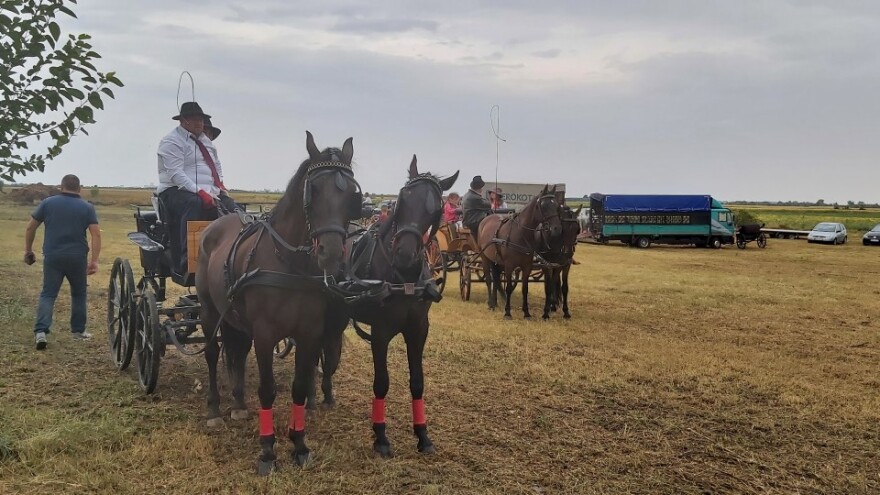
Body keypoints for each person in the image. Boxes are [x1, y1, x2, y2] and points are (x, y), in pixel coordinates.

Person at [157, 102, 237, 273]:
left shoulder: (205, 141)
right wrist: (200, 192)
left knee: (234, 209)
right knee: (194, 203)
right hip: (175, 191)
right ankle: (189, 257)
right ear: (184, 121)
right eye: (196, 120)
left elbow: (216, 165)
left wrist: (219, 185)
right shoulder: (172, 141)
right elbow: (176, 174)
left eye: (201, 120)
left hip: (208, 191)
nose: (200, 123)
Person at [24, 174, 101, 349]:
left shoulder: (48, 203)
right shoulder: (87, 207)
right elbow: (96, 234)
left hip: (53, 256)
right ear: (79, 189)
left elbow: (30, 227)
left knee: (48, 294)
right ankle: (78, 331)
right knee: (79, 294)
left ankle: (41, 331)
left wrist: (28, 250)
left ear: (61, 187)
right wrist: (94, 260)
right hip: (77, 257)